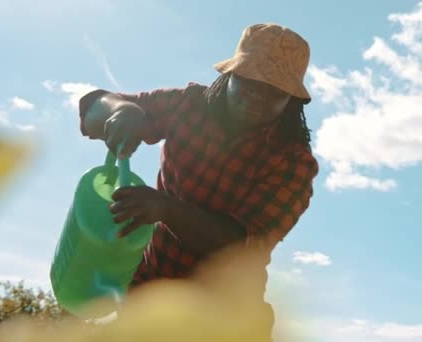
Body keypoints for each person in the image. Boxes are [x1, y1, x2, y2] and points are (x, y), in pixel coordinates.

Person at [77, 23, 319, 340]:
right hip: (149, 297)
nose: (257, 96)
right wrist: (122, 110)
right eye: (248, 81)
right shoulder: (189, 105)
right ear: (230, 75)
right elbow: (94, 107)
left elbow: (240, 247)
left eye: (273, 91)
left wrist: (165, 209)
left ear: (290, 100)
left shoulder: (293, 163)